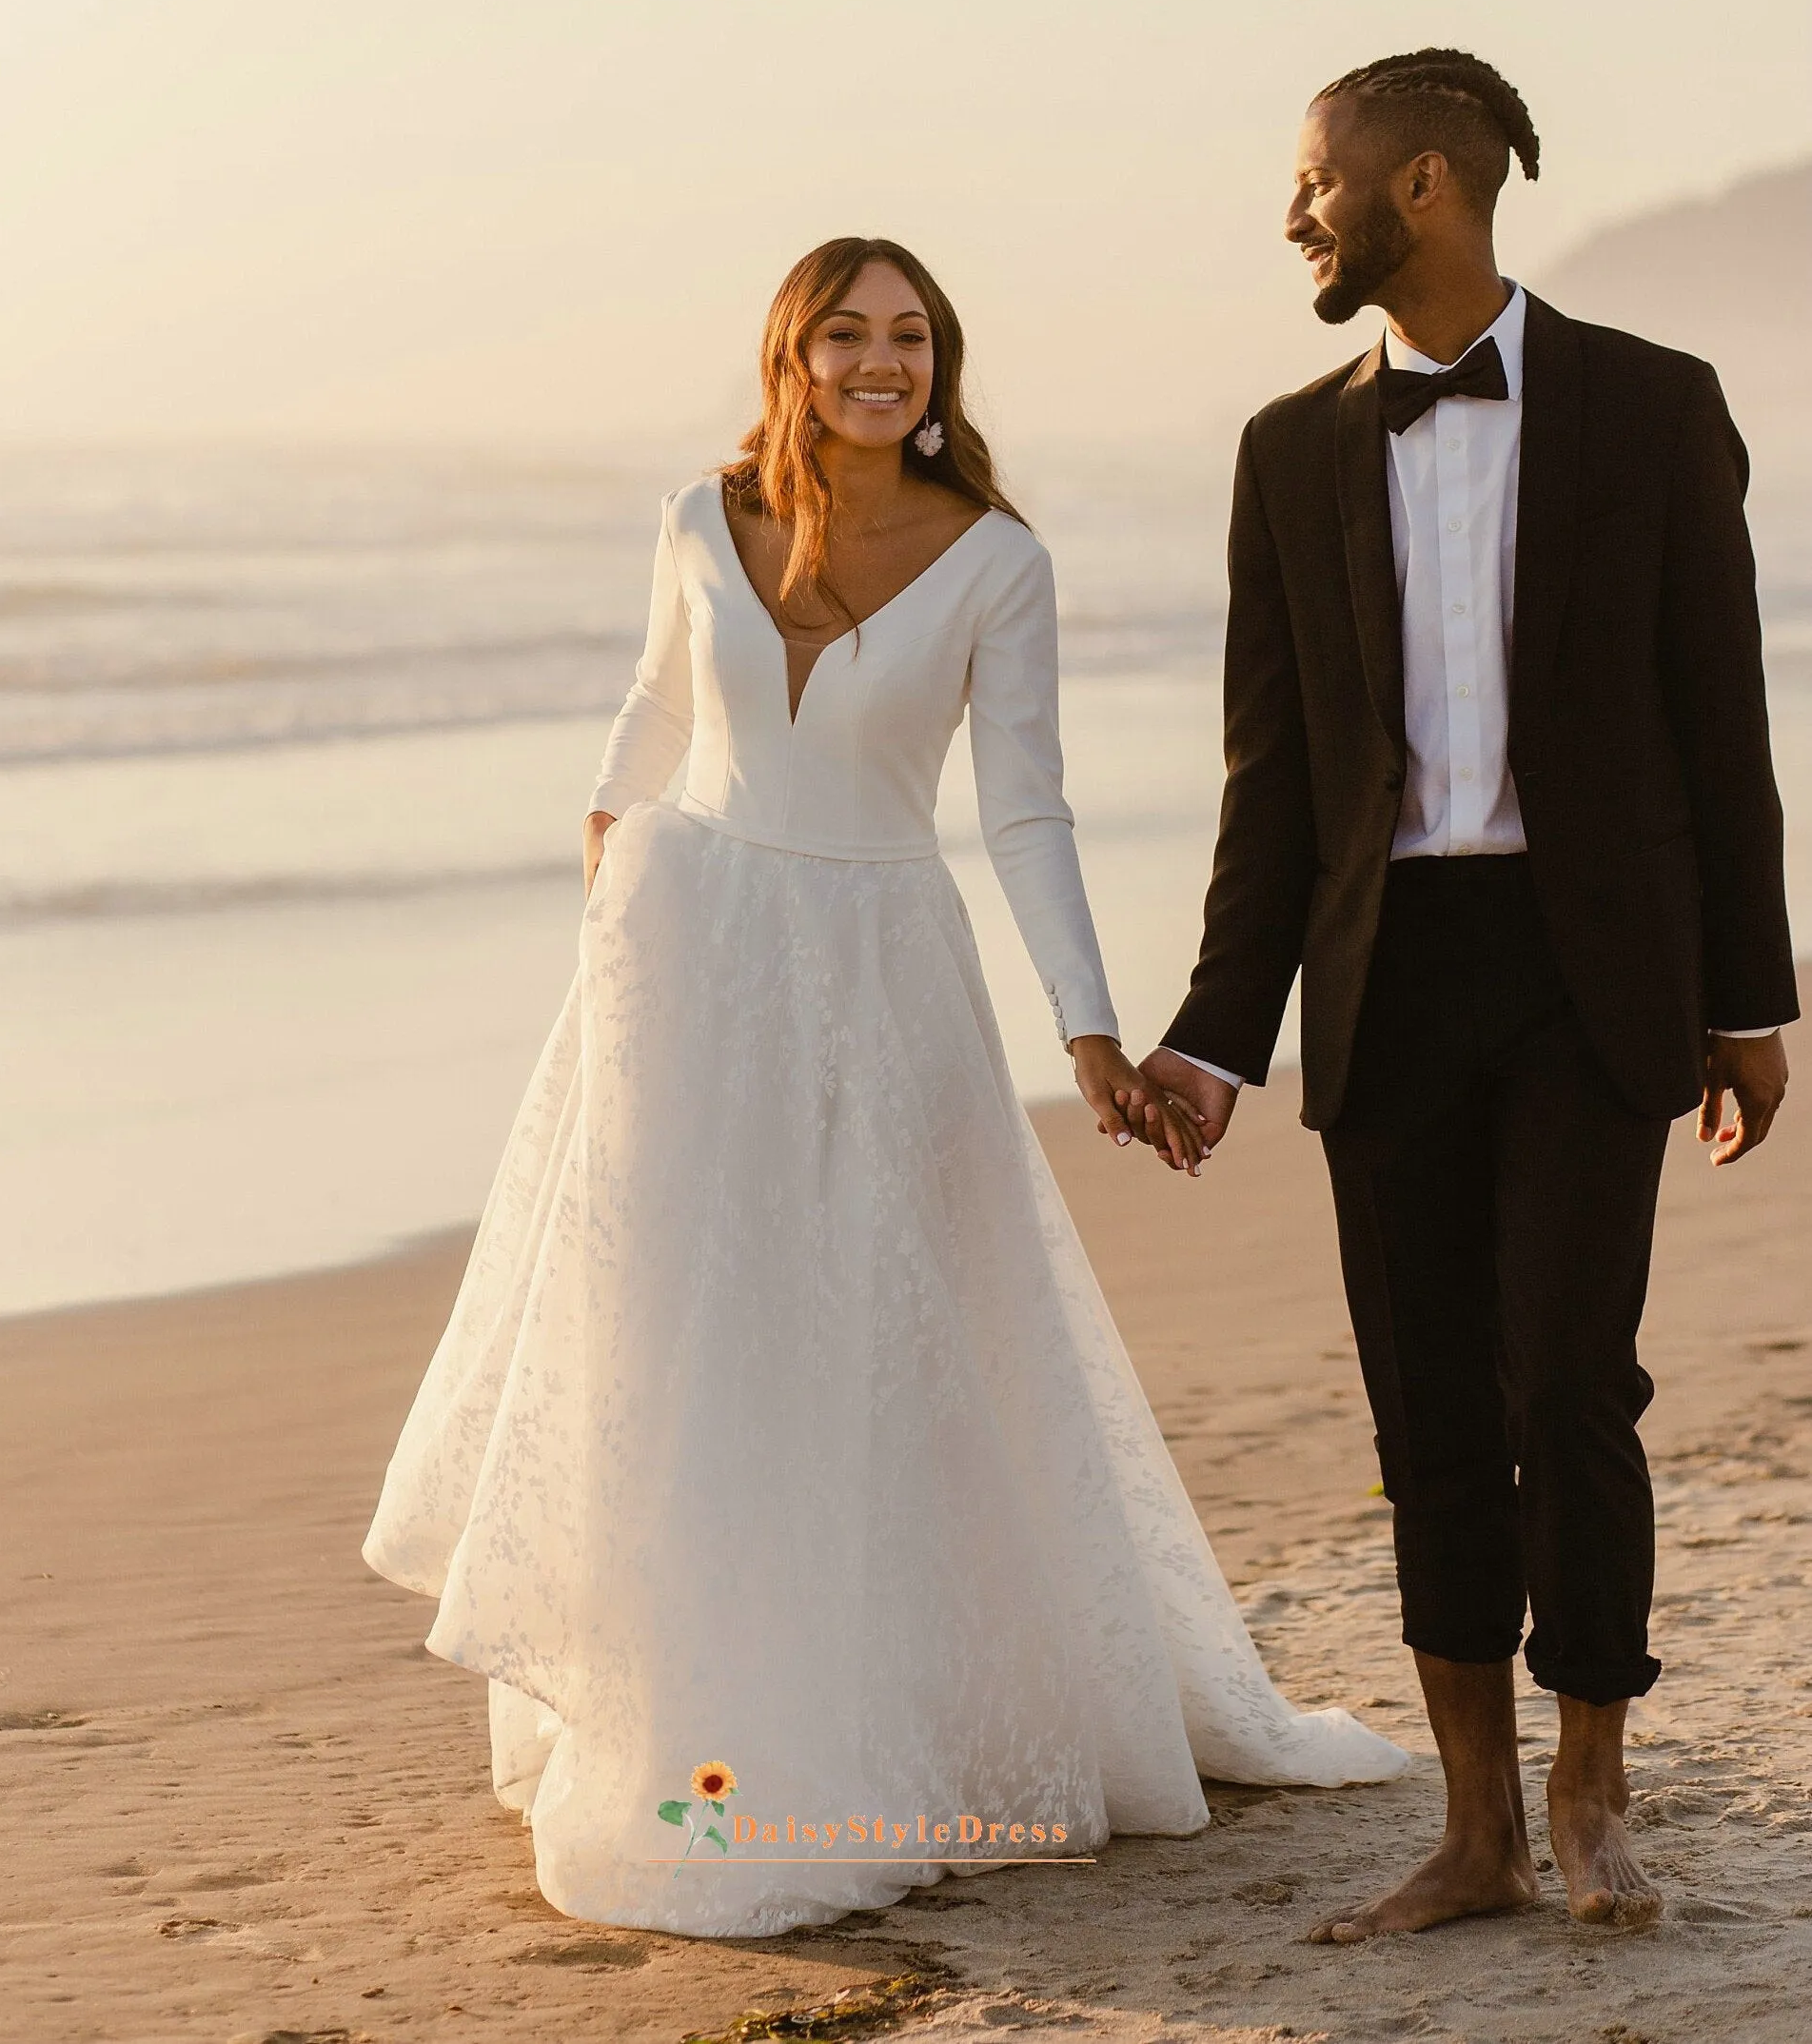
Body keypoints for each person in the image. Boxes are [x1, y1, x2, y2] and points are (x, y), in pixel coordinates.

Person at [364, 235, 1405, 1939]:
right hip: (689, 964)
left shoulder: (1000, 561)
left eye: (911, 336)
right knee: (680, 1338)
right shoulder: (700, 515)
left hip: (877, 971)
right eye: (846, 332)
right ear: (790, 352)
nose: (881, 361)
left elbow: (1025, 811)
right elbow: (649, 702)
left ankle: (868, 1708)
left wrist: (1086, 1028)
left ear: (942, 363)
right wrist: (606, 839)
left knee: (874, 1331)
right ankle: (674, 1702)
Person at [1129, 50, 1796, 1939]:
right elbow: (1272, 789)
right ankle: (1474, 1830)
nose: (1290, 217)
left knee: (1568, 1384)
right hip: (1386, 981)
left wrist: (1745, 998)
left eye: (1310, 182)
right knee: (1425, 1406)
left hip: (1593, 981)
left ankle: (1592, 1799)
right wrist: (1208, 1038)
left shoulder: (1652, 409)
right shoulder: (1284, 452)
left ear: (1419, 185)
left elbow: (1717, 728)